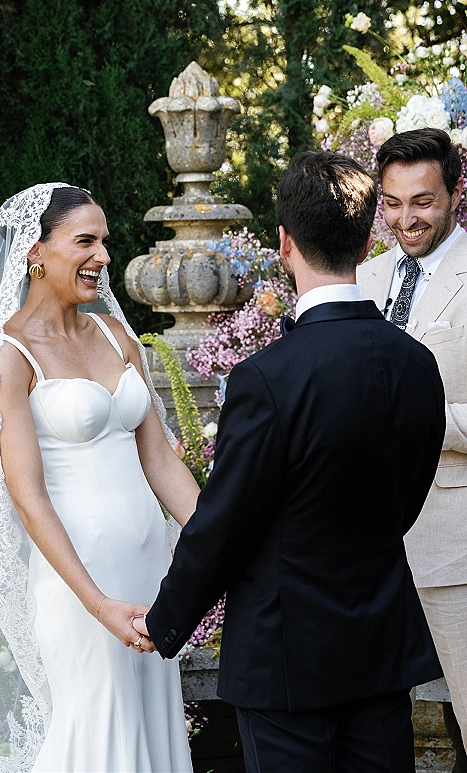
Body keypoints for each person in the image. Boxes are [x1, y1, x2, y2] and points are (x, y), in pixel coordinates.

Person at [133, 151, 445, 773]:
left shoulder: (265, 378)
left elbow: (225, 523)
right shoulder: (417, 363)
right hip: (379, 649)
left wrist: (166, 622)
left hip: (285, 657)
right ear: (367, 236)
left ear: (283, 242)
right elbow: (405, 500)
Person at [0, 183, 198, 773]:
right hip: (79, 585)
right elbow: (27, 498)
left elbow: (161, 463)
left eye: (104, 241)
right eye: (85, 240)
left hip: (152, 574)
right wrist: (99, 604)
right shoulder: (8, 353)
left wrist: (225, 545)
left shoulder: (116, 335)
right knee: (96, 736)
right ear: (36, 252)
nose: (103, 256)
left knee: (150, 733)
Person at [357, 127, 467, 747]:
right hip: (364, 548)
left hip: (456, 542)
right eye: (393, 203)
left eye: (423, 201)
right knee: (373, 736)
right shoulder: (363, 277)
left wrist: (419, 421)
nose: (406, 218)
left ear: (454, 193)